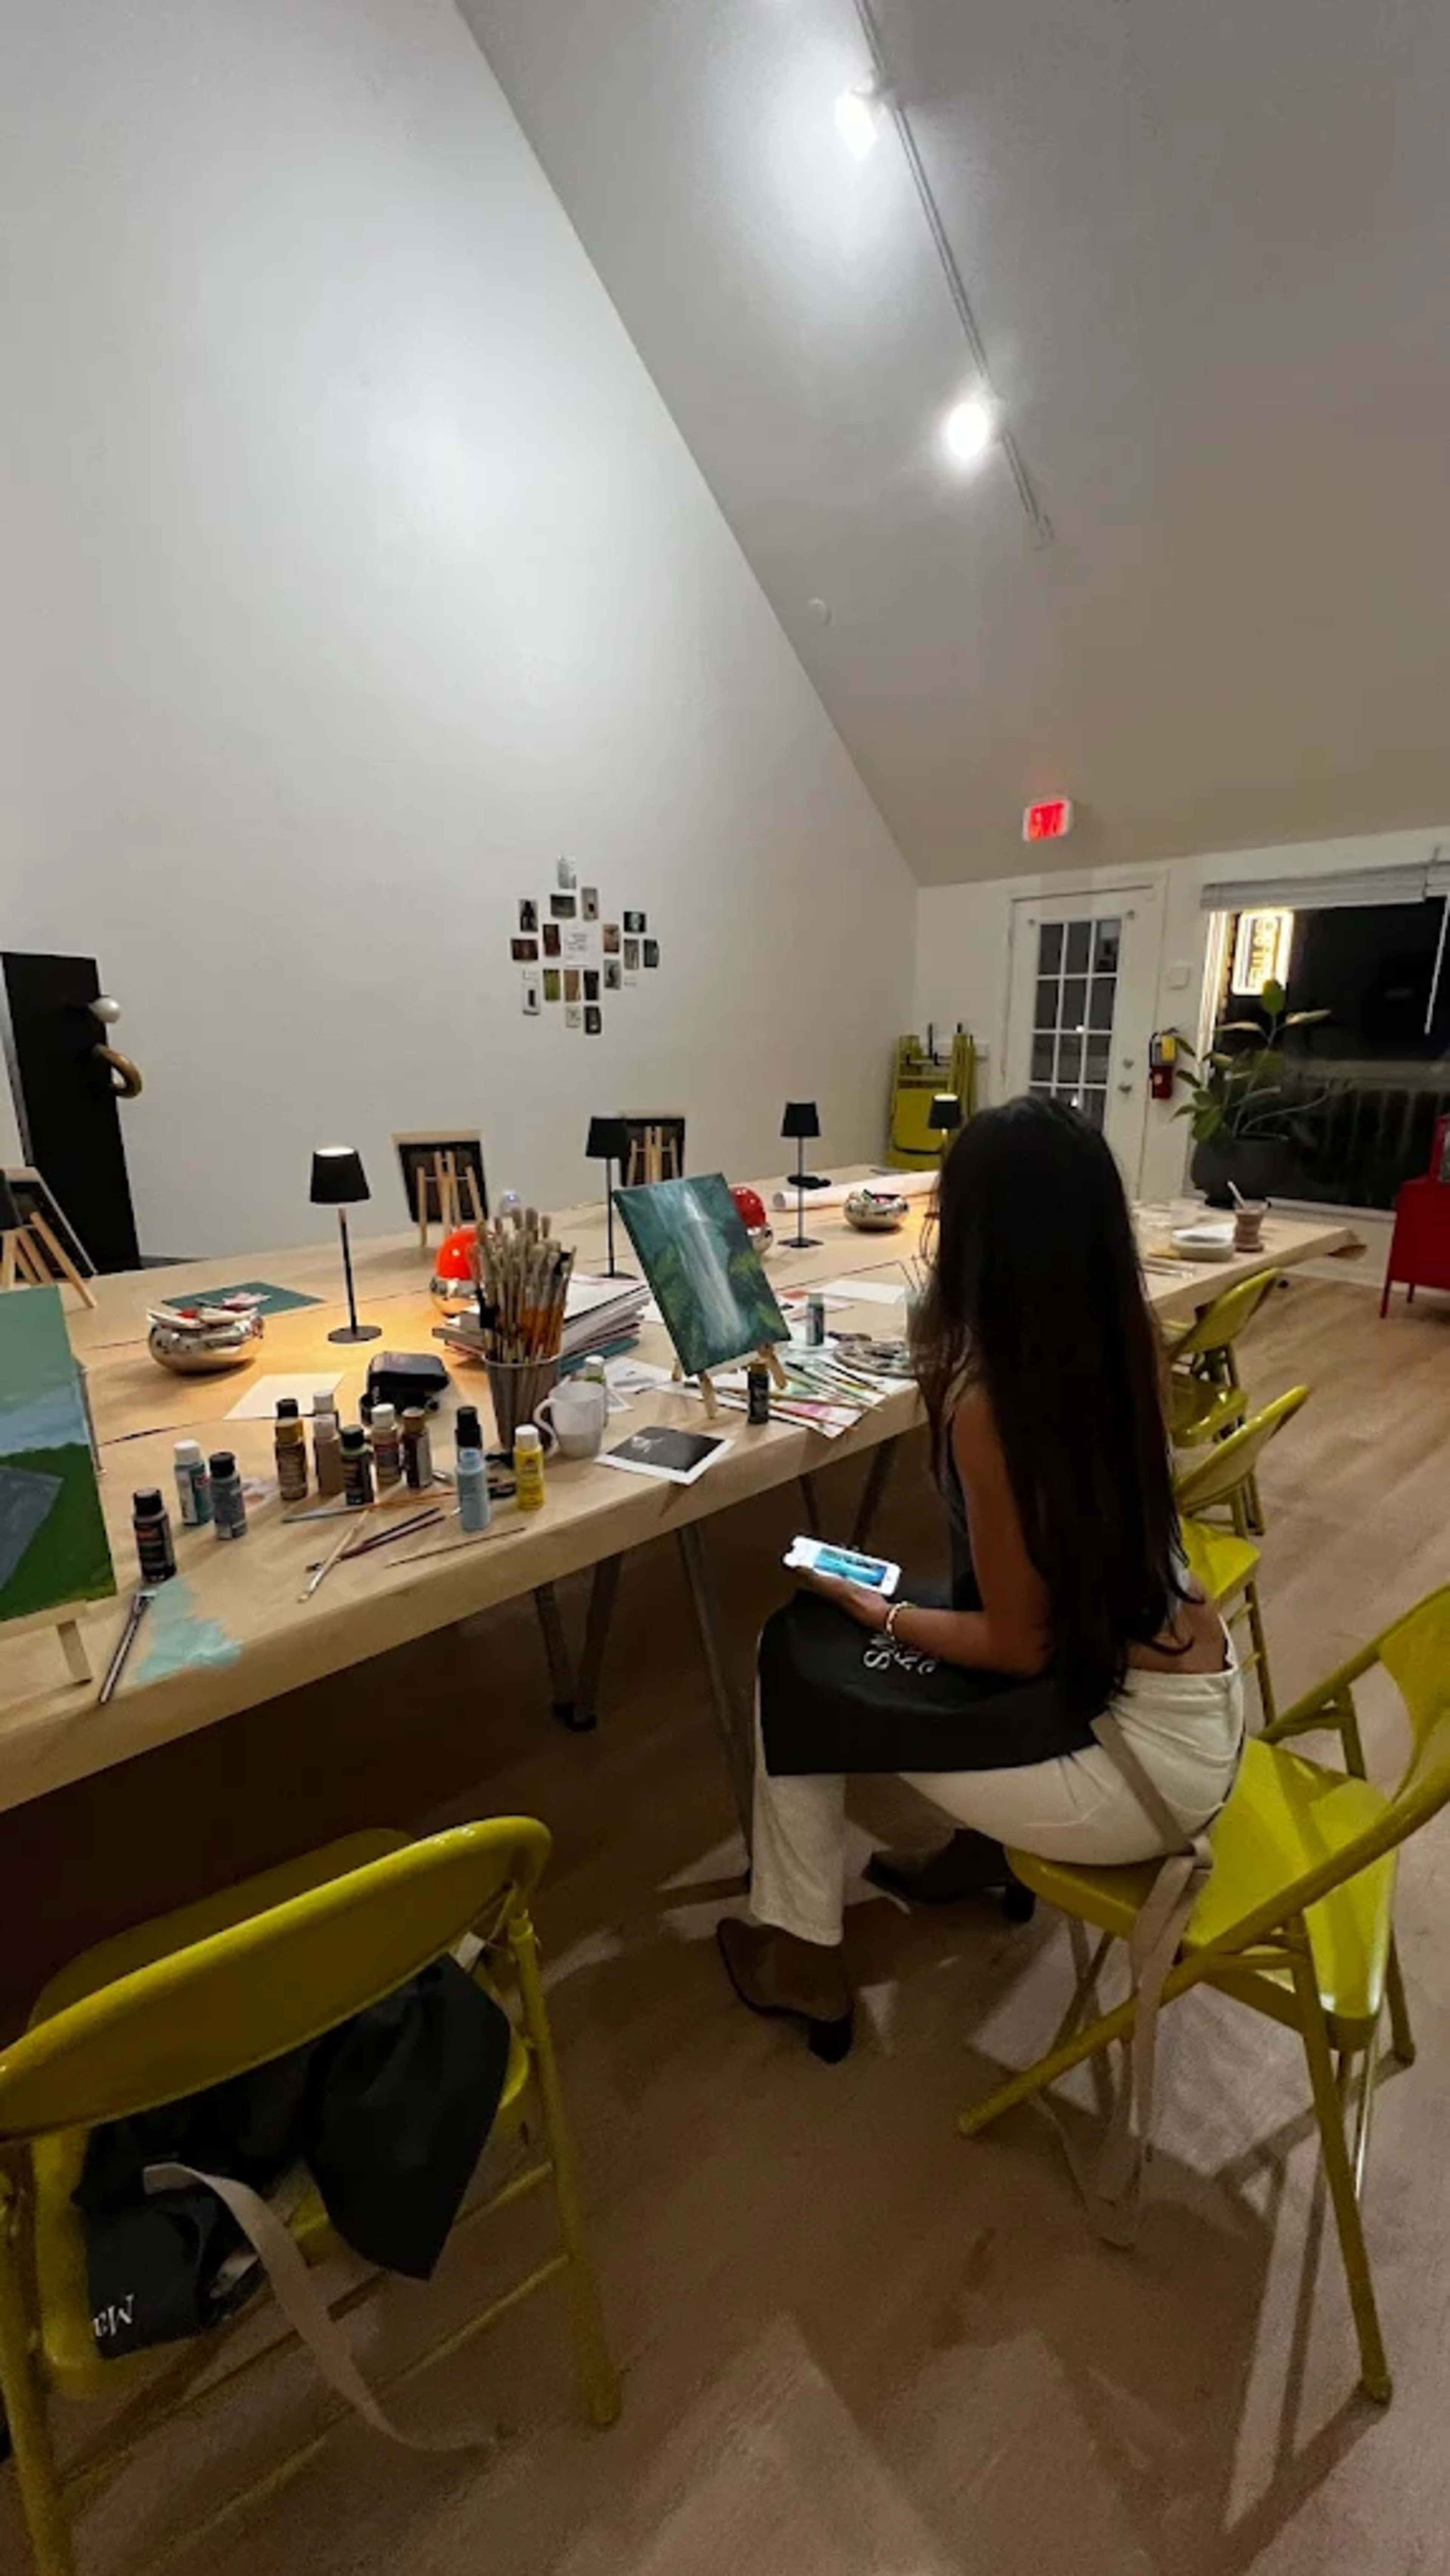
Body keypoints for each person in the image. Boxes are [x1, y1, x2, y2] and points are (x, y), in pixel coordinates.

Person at [717, 1095, 1245, 2061]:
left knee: (793, 1651)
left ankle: (799, 1949)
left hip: (1133, 1773)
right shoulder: (1123, 1341)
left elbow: (1018, 1642)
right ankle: (981, 1850)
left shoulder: (993, 1402)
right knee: (950, 1586)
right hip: (1194, 1708)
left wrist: (883, 1611)